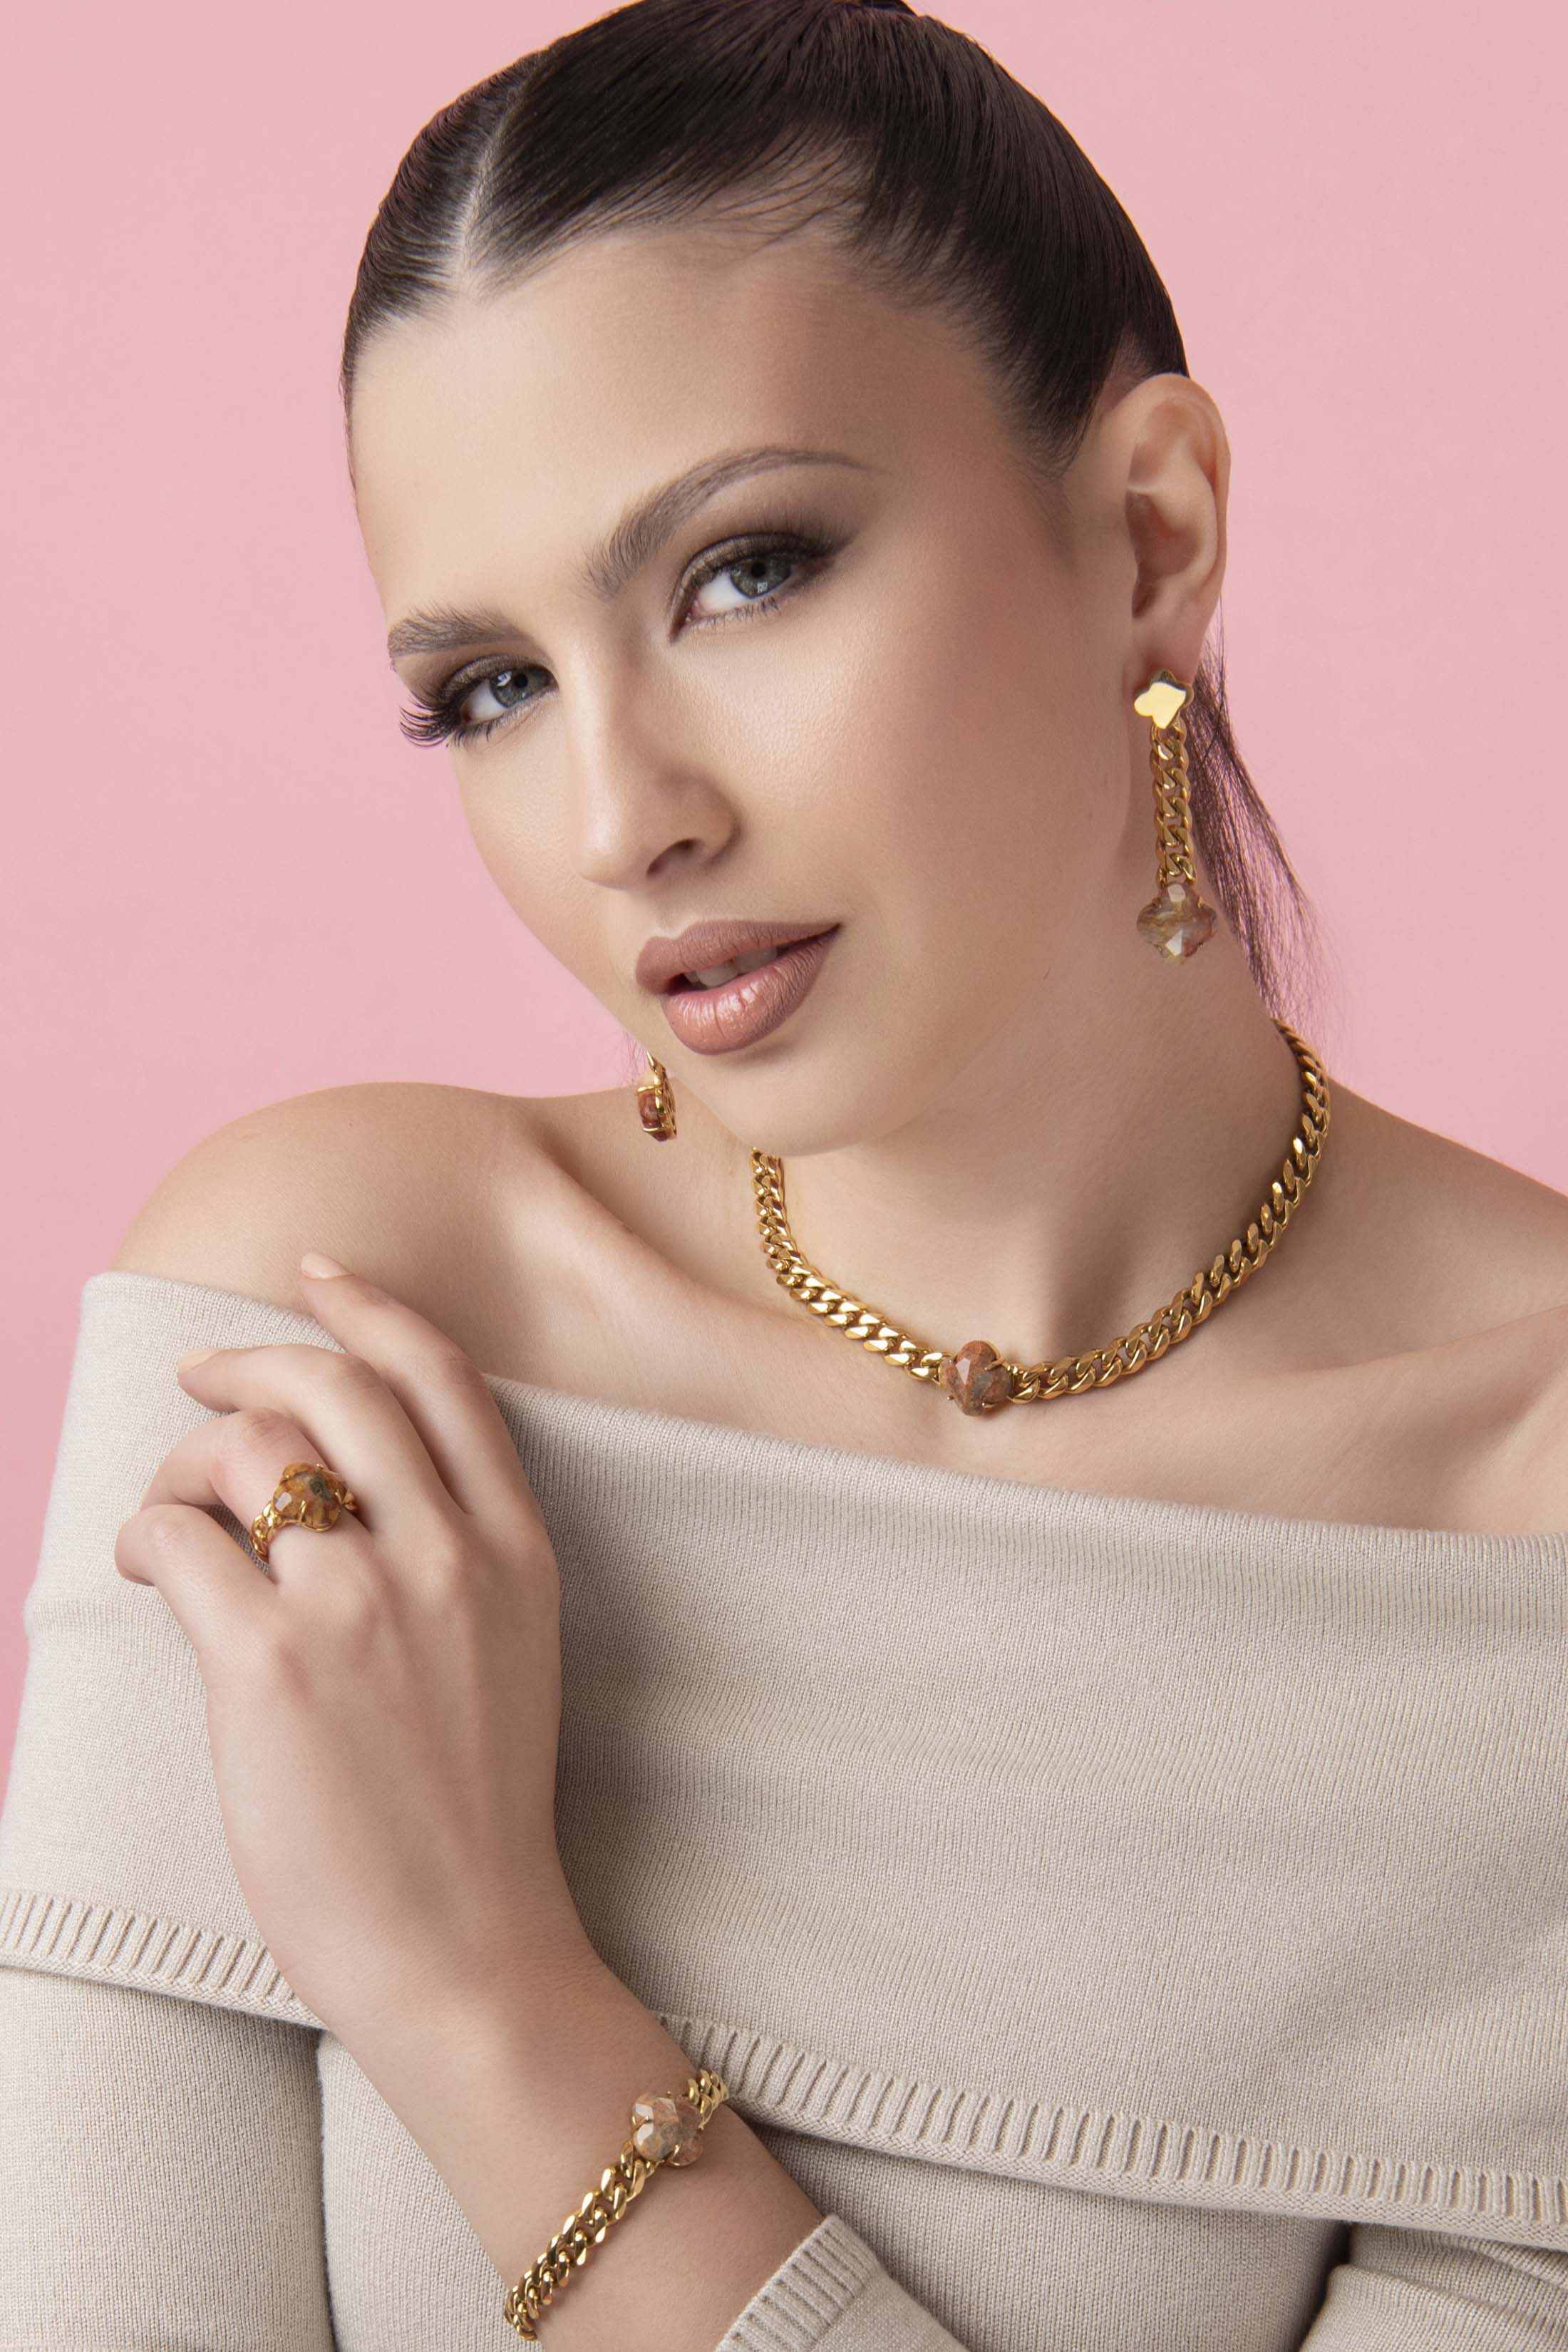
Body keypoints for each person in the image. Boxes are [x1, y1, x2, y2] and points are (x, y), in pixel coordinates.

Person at [2, 1, 1565, 2344]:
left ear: (1152, 534)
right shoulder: (331, 1336)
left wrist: (480, 1988)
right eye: (493, 687)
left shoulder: (1527, 1563)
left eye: (744, 572)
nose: (622, 817)